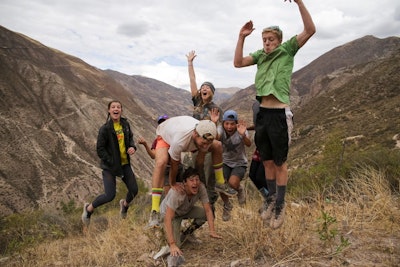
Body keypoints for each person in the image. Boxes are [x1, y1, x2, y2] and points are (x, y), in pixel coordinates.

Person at [233, 0, 315, 229]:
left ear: (279, 40)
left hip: (279, 114)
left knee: (280, 163)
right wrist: (241, 37)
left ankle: (280, 205)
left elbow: (310, 30)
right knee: (267, 161)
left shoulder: (287, 50)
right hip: (263, 115)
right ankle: (269, 199)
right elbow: (237, 63)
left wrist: (299, 3)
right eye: (264, 40)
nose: (267, 43)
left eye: (271, 40)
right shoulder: (260, 56)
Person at [147, 116, 231, 228]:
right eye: (204, 143)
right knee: (161, 162)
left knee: (218, 145)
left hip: (184, 131)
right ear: (195, 134)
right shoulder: (180, 141)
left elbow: (200, 161)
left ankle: (220, 182)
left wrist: (201, 181)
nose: (206, 146)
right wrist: (172, 183)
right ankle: (155, 210)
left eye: (208, 143)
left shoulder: (206, 136)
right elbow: (174, 164)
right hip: (165, 134)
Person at [186, 50, 237, 207]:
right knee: (194, 176)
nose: (203, 88)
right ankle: (195, 206)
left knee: (209, 179)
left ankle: (211, 206)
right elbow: (192, 80)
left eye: (207, 87)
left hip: (208, 149)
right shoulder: (197, 103)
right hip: (194, 146)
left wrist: (214, 123)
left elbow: (218, 136)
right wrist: (190, 63)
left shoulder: (216, 110)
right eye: (203, 87)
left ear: (212, 93)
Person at [82, 100, 139, 226]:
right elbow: (100, 149)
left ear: (121, 110)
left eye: (118, 107)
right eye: (113, 107)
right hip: (110, 167)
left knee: (134, 190)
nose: (116, 109)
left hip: (124, 164)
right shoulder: (105, 129)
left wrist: (132, 147)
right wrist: (112, 161)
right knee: (110, 195)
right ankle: (88, 209)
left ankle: (124, 205)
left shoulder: (125, 124)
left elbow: (130, 139)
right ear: (109, 110)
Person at [160, 167, 222, 265]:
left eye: (197, 179)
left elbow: (208, 210)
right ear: (185, 183)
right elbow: (168, 218)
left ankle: (186, 234)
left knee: (208, 213)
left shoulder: (200, 187)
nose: (195, 183)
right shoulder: (177, 193)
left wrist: (212, 231)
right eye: (191, 180)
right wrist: (172, 244)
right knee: (176, 247)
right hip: (173, 215)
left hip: (186, 210)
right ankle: (167, 240)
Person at [217, 110, 252, 221]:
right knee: (221, 184)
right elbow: (215, 138)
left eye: (232, 124)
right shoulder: (220, 130)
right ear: (223, 123)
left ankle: (239, 189)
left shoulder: (241, 130)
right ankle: (227, 205)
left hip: (240, 163)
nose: (229, 126)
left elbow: (249, 144)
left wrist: (243, 135)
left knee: (232, 183)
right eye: (227, 123)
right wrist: (213, 124)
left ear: (236, 123)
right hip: (225, 161)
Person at [137, 114, 177, 195]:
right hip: (166, 169)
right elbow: (153, 155)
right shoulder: (157, 140)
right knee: (168, 194)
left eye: (165, 122)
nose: (163, 125)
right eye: (161, 123)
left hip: (177, 166)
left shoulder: (175, 136)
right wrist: (145, 144)